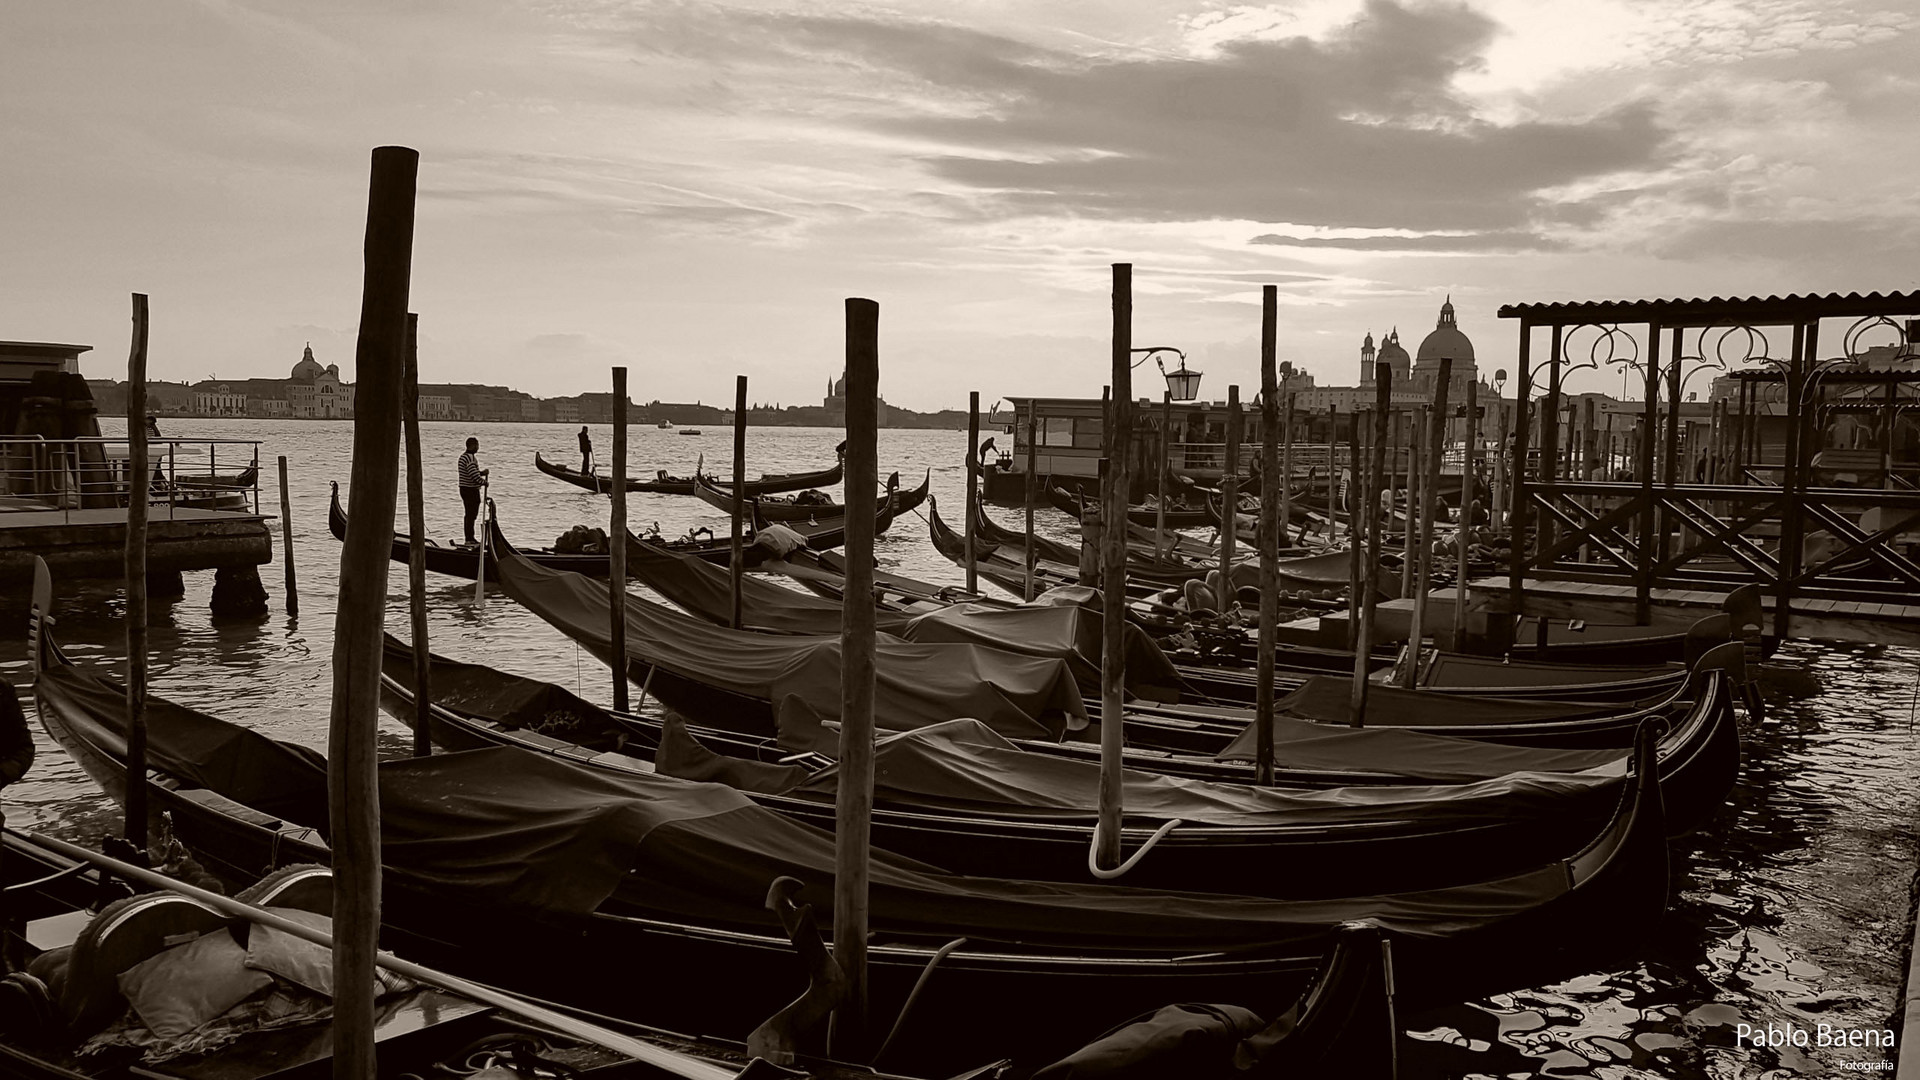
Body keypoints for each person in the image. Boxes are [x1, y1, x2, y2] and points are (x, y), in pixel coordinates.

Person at [457, 437, 489, 545]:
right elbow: (473, 476)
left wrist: (481, 473)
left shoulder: (463, 457)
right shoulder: (471, 458)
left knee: (469, 514)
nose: (478, 447)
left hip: (464, 489)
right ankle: (470, 538)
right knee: (471, 515)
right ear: (473, 446)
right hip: (470, 490)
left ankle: (469, 537)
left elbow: (472, 472)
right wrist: (484, 482)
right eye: (477, 445)